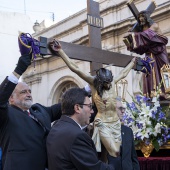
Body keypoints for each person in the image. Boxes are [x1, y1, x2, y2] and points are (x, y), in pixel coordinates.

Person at [49, 40, 136, 158]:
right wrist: (61, 52)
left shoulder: (112, 81)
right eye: (105, 83)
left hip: (115, 123)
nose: (108, 85)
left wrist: (132, 63)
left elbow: (124, 73)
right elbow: (76, 69)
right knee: (115, 152)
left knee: (108, 154)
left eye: (109, 82)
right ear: (100, 82)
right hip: (103, 122)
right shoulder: (93, 83)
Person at [0, 53, 62, 170]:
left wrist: (87, 90)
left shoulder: (38, 110)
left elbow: (63, 107)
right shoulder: (6, 114)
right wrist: (18, 70)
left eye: (29, 91)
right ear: (11, 98)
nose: (29, 94)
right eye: (23, 92)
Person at [47, 87, 116, 170]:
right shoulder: (78, 136)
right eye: (90, 106)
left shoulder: (56, 127)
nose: (92, 111)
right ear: (77, 108)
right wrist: (115, 159)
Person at [124, 10, 169, 98]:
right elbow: (141, 41)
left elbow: (147, 35)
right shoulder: (141, 31)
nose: (141, 19)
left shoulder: (154, 26)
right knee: (150, 72)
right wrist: (131, 40)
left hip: (160, 53)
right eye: (139, 17)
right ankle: (153, 93)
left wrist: (133, 34)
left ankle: (164, 92)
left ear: (147, 17)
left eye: (142, 16)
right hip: (149, 54)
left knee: (163, 71)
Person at [116, 99, 140, 170]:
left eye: (123, 108)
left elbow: (133, 158)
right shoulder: (105, 130)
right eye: (120, 108)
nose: (123, 111)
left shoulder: (128, 131)